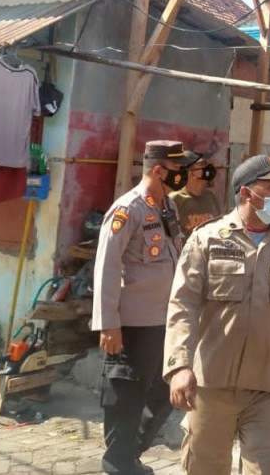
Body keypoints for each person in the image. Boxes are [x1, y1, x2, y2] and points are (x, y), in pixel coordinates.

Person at [165, 155, 270, 475]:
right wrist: (180, 365)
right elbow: (183, 305)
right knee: (205, 469)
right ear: (247, 193)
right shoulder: (207, 239)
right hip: (212, 384)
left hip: (269, 387)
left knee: (269, 468)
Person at [92, 140, 189, 475]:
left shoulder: (169, 209)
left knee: (165, 392)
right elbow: (106, 266)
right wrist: (108, 324)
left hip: (165, 319)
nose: (183, 177)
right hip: (132, 323)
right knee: (127, 393)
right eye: (178, 171)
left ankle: (131, 452)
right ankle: (118, 461)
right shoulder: (127, 209)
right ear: (159, 170)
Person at [171, 150, 223, 236]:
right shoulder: (175, 199)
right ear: (190, 172)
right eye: (202, 165)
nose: (208, 169)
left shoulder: (211, 197)